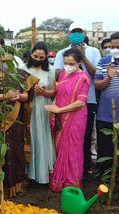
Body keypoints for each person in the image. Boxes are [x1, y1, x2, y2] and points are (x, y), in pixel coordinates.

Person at [0, 50, 38, 198]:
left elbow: (27, 95)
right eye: (2, 61)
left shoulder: (20, 74)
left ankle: (15, 186)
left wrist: (19, 96)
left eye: (8, 62)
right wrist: (4, 96)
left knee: (14, 152)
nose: (4, 64)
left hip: (15, 121)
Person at [54, 22, 101, 176]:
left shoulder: (93, 51)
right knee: (65, 137)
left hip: (89, 100)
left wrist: (83, 57)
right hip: (66, 102)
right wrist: (71, 62)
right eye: (73, 31)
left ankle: (83, 169)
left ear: (84, 32)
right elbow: (58, 74)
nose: (76, 33)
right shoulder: (62, 52)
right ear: (69, 33)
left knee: (85, 137)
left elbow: (96, 74)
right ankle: (65, 169)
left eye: (79, 31)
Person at [45, 48, 90, 192]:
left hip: (76, 118)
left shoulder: (83, 78)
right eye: (65, 62)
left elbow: (81, 102)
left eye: (71, 63)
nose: (68, 66)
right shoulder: (63, 74)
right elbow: (59, 94)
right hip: (60, 116)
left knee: (72, 149)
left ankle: (72, 181)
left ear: (79, 63)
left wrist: (59, 110)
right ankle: (61, 179)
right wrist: (53, 106)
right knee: (59, 147)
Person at [19, 42, 56, 184]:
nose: (38, 59)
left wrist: (43, 92)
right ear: (31, 53)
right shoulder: (22, 69)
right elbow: (18, 89)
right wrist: (30, 92)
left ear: (46, 57)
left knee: (42, 136)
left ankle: (42, 173)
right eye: (36, 56)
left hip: (43, 107)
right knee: (29, 135)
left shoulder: (50, 70)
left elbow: (53, 91)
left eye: (42, 57)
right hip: (27, 107)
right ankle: (28, 172)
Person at [94, 32, 119, 177]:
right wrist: (108, 78)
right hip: (105, 114)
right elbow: (97, 85)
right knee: (105, 147)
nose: (115, 49)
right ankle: (105, 178)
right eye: (113, 47)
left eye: (118, 46)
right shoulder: (103, 62)